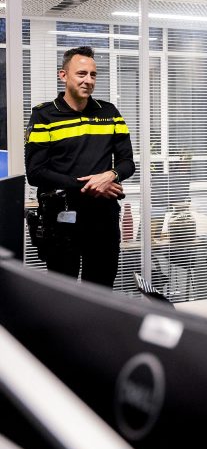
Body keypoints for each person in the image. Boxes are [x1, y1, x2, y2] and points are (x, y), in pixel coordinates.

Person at [24, 46, 135, 287]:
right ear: (63, 75)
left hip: (103, 219)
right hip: (60, 219)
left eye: (93, 74)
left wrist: (111, 175)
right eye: (81, 74)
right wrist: (91, 185)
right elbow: (35, 172)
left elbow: (127, 163)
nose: (88, 80)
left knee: (101, 290)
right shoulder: (44, 116)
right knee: (63, 294)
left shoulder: (110, 112)